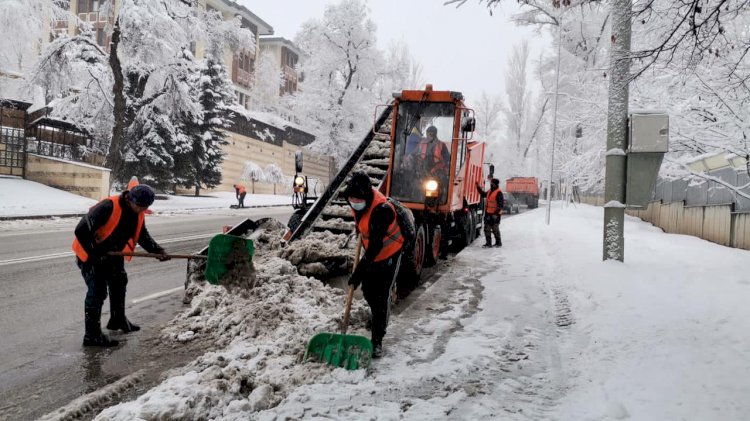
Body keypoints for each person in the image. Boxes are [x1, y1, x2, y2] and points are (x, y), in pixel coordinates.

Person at [72, 184, 170, 347]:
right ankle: (92, 335)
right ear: (129, 199)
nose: (141, 210)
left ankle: (118, 319)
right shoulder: (108, 206)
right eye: (139, 206)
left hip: (114, 254)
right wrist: (95, 254)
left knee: (119, 283)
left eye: (144, 208)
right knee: (97, 291)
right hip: (90, 254)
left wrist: (157, 250)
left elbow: (142, 235)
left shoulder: (138, 213)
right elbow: (81, 230)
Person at [345, 171, 404, 358]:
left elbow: (375, 248)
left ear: (367, 196)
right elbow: (363, 225)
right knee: (369, 291)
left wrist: (358, 274)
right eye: (351, 199)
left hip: (390, 253)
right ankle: (378, 316)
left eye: (357, 199)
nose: (354, 202)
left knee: (380, 296)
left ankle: (377, 339)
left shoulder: (382, 210)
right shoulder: (357, 201)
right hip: (372, 252)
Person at [476, 178, 504, 248]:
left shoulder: (499, 192)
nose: (491, 184)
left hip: (495, 215)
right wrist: (478, 187)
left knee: (495, 229)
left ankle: (498, 243)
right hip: (488, 213)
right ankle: (488, 243)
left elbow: (500, 205)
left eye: (492, 183)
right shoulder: (489, 191)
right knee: (487, 229)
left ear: (495, 184)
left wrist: (496, 214)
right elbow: (483, 194)